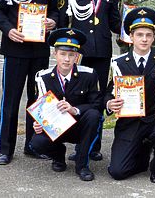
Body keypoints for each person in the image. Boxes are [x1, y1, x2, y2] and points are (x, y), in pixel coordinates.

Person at [0, 0, 59, 165]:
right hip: (15, 47)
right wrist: (9, 30)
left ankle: (33, 145)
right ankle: (5, 148)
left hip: (39, 48)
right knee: (10, 99)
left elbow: (57, 11)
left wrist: (53, 20)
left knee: (37, 99)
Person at [105, 7, 155, 183]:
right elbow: (108, 93)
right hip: (129, 124)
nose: (144, 39)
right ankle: (142, 155)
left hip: (154, 121)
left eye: (148, 35)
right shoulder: (119, 63)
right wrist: (110, 104)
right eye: (139, 34)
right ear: (131, 37)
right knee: (117, 172)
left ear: (154, 37)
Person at [60, 0, 121, 161]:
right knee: (77, 97)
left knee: (98, 98)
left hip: (102, 52)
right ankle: (78, 145)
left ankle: (93, 146)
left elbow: (115, 22)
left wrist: (128, 32)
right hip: (80, 52)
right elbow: (63, 21)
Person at [31, 28, 102, 181]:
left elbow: (96, 104)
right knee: (36, 142)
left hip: (79, 126)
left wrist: (74, 109)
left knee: (94, 115)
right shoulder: (43, 77)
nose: (67, 59)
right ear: (54, 54)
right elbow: (40, 107)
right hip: (56, 126)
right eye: (62, 54)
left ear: (77, 56)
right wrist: (37, 123)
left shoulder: (89, 75)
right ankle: (58, 156)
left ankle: (82, 165)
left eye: (71, 55)